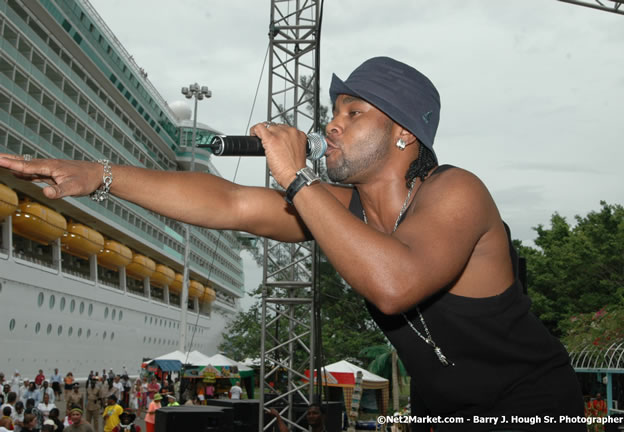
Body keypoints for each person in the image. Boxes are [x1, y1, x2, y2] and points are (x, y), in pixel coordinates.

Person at [0, 56, 586, 431]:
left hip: (532, 408)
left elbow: (394, 284)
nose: (331, 124)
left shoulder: (458, 191)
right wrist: (100, 176)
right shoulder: (339, 208)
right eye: (333, 111)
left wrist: (296, 178)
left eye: (354, 113)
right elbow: (229, 204)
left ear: (405, 134)